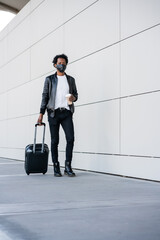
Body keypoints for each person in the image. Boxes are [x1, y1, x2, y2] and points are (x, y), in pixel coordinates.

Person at [37, 54, 78, 177]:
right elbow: (45, 96)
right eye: (59, 63)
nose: (62, 65)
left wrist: (73, 98)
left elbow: (76, 95)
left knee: (70, 138)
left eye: (64, 63)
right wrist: (41, 114)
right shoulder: (49, 79)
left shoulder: (70, 80)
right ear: (55, 65)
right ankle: (56, 165)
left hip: (66, 112)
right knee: (55, 141)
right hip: (53, 113)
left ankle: (67, 166)